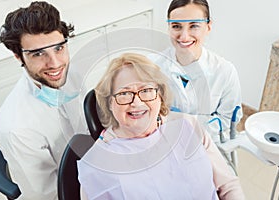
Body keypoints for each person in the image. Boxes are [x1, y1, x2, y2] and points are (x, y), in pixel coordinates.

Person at [77, 53, 245, 199]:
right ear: (110, 103)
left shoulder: (187, 125)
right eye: (124, 94)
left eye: (146, 90)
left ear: (160, 95)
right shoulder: (98, 163)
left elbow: (228, 186)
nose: (137, 102)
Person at [0, 1, 78, 199]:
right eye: (38, 54)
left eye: (59, 48)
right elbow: (49, 196)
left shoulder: (70, 74)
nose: (55, 63)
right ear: (18, 56)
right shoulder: (16, 128)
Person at [149, 0, 242, 140]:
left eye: (194, 26)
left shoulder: (225, 71)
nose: (184, 36)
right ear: (169, 27)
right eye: (176, 26)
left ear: (208, 27)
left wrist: (188, 131)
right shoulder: (151, 65)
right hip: (161, 139)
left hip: (206, 142)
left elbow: (228, 119)